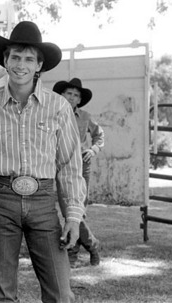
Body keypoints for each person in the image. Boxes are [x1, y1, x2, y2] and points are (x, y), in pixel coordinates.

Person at [0, 21, 86, 303]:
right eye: (15, 57)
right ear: (5, 60)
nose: (20, 65)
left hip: (44, 202)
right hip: (1, 199)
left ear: (39, 65)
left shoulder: (58, 106)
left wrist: (73, 216)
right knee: (3, 295)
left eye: (28, 59)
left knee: (61, 293)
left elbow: (71, 166)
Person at [53, 78, 105, 267]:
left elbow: (100, 136)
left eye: (76, 95)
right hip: (57, 164)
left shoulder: (85, 116)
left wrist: (93, 150)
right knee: (65, 209)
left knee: (77, 210)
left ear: (79, 100)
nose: (72, 97)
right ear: (61, 95)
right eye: (69, 93)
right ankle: (92, 245)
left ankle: (74, 253)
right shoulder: (52, 113)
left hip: (81, 165)